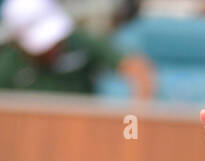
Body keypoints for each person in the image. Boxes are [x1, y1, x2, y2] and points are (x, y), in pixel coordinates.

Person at [0, 0, 153, 97]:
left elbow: (136, 68)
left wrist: (135, 122)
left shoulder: (80, 41)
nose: (53, 48)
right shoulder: (6, 65)